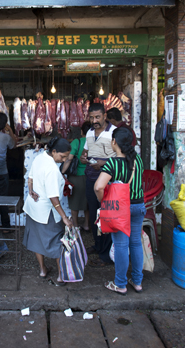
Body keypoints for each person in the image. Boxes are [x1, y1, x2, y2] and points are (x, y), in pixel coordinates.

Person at [94, 127, 145, 295]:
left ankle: (120, 284)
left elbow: (98, 186)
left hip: (121, 210)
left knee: (121, 245)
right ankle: (137, 282)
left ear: (114, 142)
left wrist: (102, 200)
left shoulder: (112, 163)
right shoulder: (138, 160)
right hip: (138, 206)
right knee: (136, 243)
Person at [24, 137, 74, 286]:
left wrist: (31, 190)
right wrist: (64, 217)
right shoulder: (52, 168)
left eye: (66, 157)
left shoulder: (40, 157)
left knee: (36, 240)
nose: (64, 160)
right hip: (46, 212)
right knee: (58, 243)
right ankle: (60, 276)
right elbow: (53, 198)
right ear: (53, 151)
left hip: (33, 207)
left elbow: (30, 176)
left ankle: (43, 270)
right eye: (62, 156)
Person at [80, 103, 116, 267]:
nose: (94, 120)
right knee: (94, 215)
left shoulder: (114, 132)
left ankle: (105, 254)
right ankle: (97, 245)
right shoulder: (89, 132)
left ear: (105, 116)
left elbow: (121, 158)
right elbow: (86, 151)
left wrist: (103, 163)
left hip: (108, 181)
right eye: (91, 117)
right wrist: (83, 157)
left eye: (97, 117)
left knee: (106, 216)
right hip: (91, 179)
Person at [60, 121, 91, 230]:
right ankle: (87, 225)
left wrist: (62, 173)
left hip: (75, 177)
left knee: (74, 202)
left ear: (82, 131)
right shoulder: (94, 142)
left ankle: (76, 225)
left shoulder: (76, 142)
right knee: (88, 201)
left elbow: (69, 159)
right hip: (89, 176)